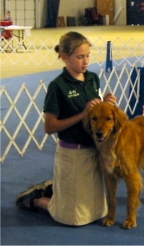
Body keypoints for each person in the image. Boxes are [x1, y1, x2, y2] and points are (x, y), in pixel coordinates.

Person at [15, 31, 117, 226]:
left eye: (88, 55)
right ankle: (36, 198)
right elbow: (49, 127)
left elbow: (95, 112)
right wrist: (82, 115)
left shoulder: (93, 78)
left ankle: (55, 188)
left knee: (98, 212)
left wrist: (106, 104)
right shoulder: (57, 86)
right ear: (64, 57)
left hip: (95, 151)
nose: (85, 61)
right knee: (72, 218)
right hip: (72, 153)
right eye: (79, 57)